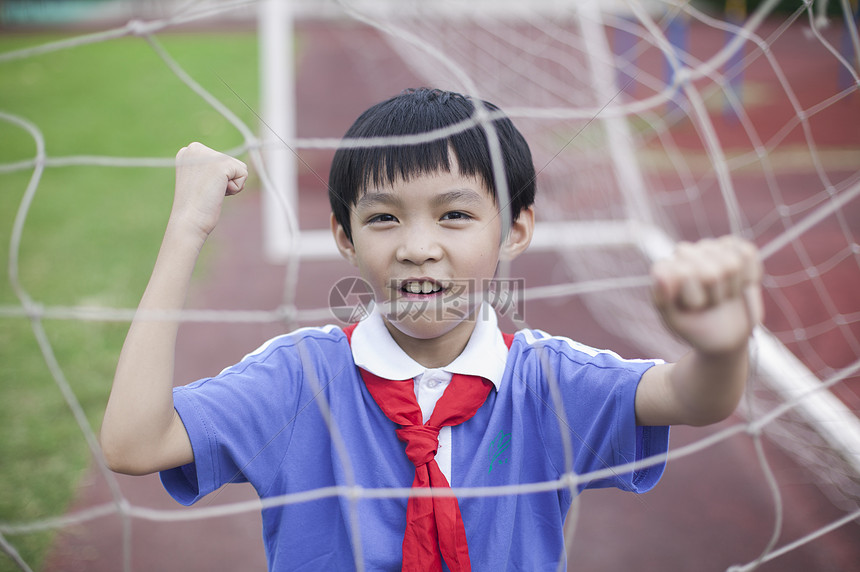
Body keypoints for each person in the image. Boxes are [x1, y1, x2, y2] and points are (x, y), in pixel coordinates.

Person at [101, 88, 763, 571]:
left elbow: (694, 398)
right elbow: (134, 443)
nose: (419, 247)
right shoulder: (296, 381)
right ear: (344, 237)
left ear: (516, 229)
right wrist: (186, 228)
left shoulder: (546, 380)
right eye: (385, 218)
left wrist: (721, 345)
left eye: (454, 215)